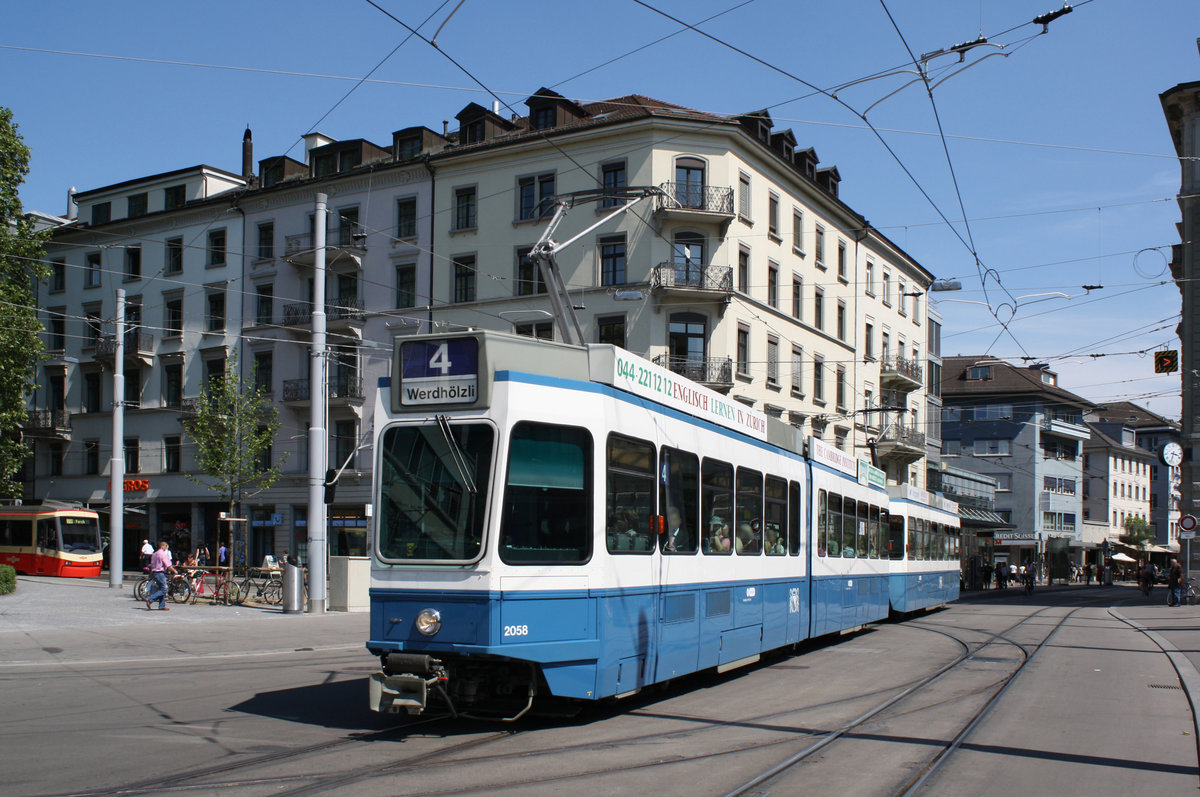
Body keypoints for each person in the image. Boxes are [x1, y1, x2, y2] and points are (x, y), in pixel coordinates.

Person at [144, 541, 177, 611]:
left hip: (155, 572)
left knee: (161, 588)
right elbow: (168, 565)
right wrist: (174, 571)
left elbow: (152, 564)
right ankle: (150, 599)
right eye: (165, 547)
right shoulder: (162, 554)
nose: (166, 549)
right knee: (164, 589)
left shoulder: (154, 554)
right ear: (162, 546)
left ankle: (161, 605)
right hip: (160, 573)